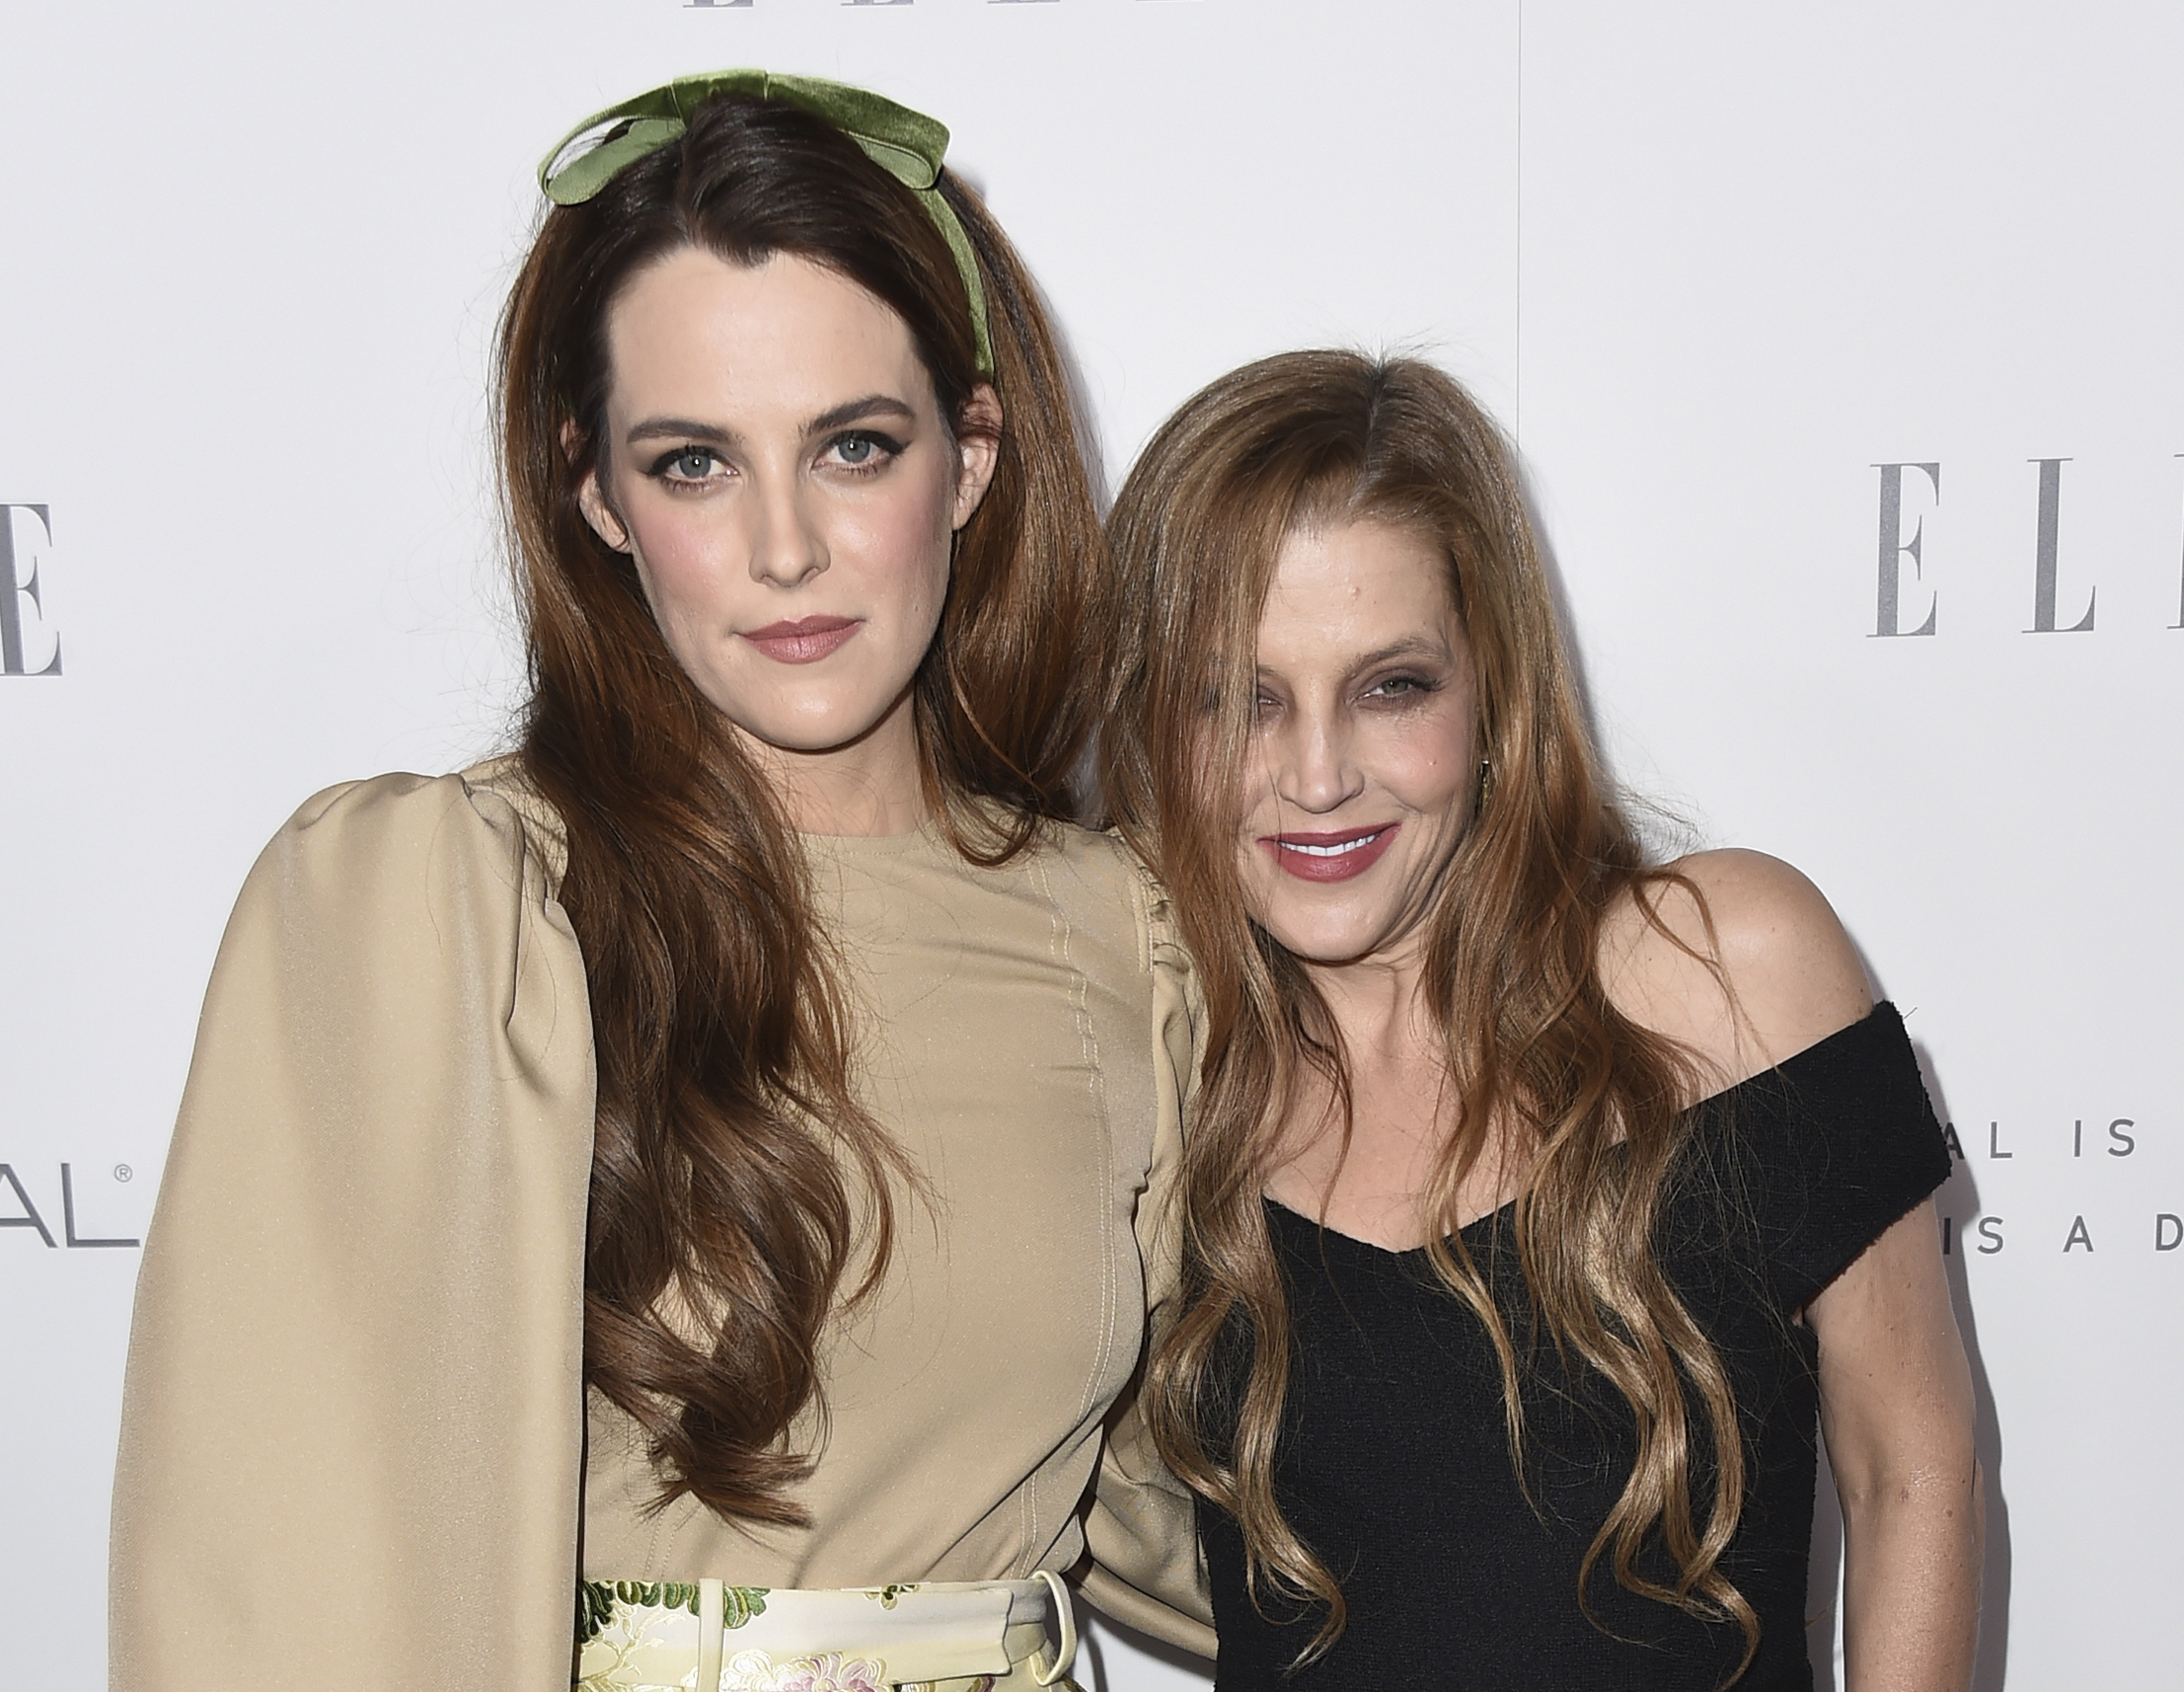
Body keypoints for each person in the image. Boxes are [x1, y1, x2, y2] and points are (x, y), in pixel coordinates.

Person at [109, 72, 1211, 1692]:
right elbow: (278, 1594)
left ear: (970, 457)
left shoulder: (1124, 933)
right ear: (595, 494)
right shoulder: (455, 906)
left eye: (852, 445)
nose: (785, 547)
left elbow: (1229, 1516)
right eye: (694, 462)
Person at [1101, 350, 1982, 1689]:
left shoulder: (1728, 967)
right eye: (1242, 697)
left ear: (1492, 699)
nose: (1318, 773)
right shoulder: (1162, 1069)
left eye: (1390, 685)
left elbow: (1911, 1455)